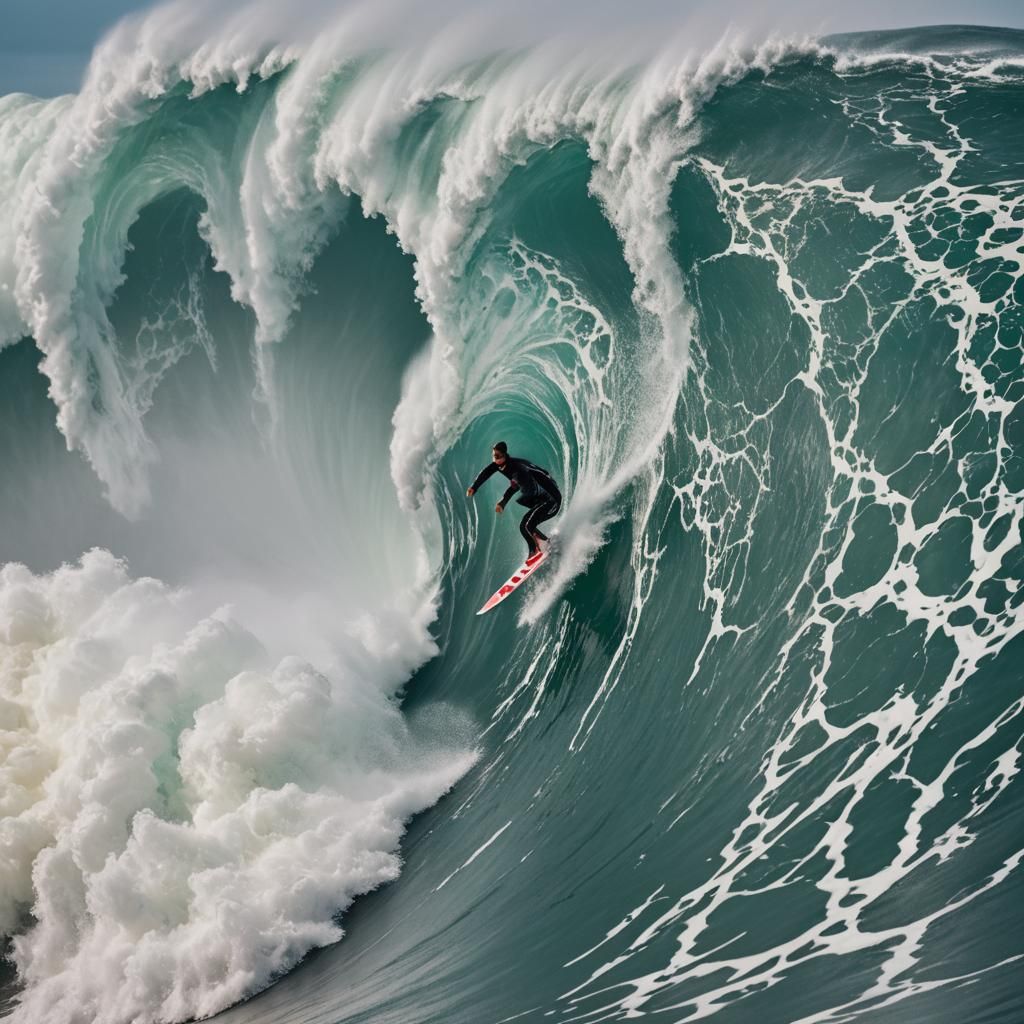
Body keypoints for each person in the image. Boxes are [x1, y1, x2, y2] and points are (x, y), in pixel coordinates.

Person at [467, 441, 561, 561]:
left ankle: (534, 552)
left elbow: (516, 486)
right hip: (543, 498)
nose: (494, 459)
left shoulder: (517, 469)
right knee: (527, 526)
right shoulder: (500, 465)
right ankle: (548, 545)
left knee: (526, 526)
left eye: (497, 456)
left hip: (551, 499)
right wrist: (474, 487)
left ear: (504, 455)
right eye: (493, 456)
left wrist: (503, 502)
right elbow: (486, 472)